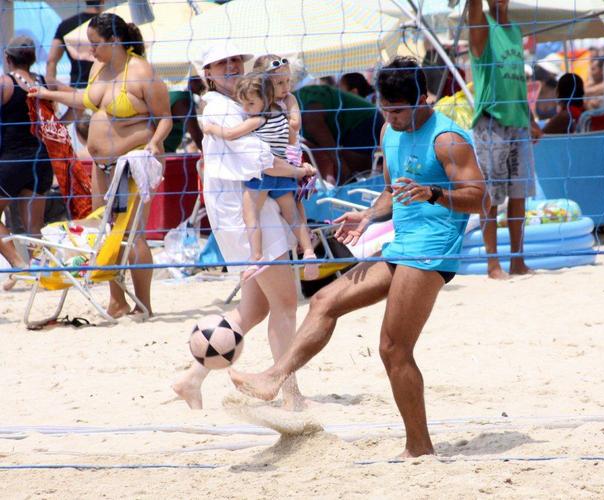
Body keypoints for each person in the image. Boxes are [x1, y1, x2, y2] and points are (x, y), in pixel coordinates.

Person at [228, 57, 487, 458]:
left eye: (399, 110)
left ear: (424, 98)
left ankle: (419, 448)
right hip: (402, 244)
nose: (392, 117)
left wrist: (434, 193)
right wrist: (368, 215)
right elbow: (391, 190)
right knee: (324, 300)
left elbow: (479, 198)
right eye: (385, 108)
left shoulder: (448, 140)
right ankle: (274, 378)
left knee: (392, 349)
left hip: (433, 249)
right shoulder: (388, 130)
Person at [172, 43, 306, 411]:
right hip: (247, 214)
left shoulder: (245, 103)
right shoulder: (220, 107)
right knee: (286, 303)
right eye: (221, 62)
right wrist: (297, 167)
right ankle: (290, 393)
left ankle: (191, 379)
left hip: (244, 211)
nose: (231, 65)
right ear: (207, 73)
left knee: (256, 309)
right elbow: (258, 160)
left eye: (236, 59)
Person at [31, 13, 172, 318]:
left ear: (115, 41)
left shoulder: (141, 72)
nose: (90, 51)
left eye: (95, 44)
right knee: (105, 231)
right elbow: (84, 99)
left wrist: (154, 143)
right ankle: (117, 300)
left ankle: (143, 304)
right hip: (100, 164)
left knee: (133, 234)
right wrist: (46, 92)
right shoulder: (99, 68)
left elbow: (165, 118)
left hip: (131, 163)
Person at [201, 72, 318, 279]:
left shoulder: (257, 119)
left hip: (263, 174)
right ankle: (308, 251)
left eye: (250, 103)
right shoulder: (283, 117)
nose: (245, 109)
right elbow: (292, 141)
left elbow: (230, 134)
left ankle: (256, 257)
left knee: (250, 215)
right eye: (242, 103)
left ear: (265, 99)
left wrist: (210, 128)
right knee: (293, 215)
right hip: (284, 175)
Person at [468, 0, 541, 279]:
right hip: (491, 121)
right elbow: (475, 16)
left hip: (518, 121)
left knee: (519, 194)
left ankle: (518, 260)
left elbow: (517, 82)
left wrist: (531, 119)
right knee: (490, 196)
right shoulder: (483, 24)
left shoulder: (515, 31)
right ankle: (492, 263)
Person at [0, 36, 54, 291]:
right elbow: (75, 101)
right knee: (34, 227)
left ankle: (18, 264)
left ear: (8, 59)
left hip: (11, 160)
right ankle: (37, 274)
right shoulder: (42, 83)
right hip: (41, 158)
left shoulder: (5, 82)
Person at [295, 84, 384, 184]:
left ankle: (347, 181)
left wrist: (341, 166)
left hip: (364, 121)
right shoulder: (295, 102)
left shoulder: (298, 107)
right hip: (361, 119)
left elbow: (313, 124)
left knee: (347, 167)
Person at [46, 0, 104, 88]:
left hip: (77, 87)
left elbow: (51, 61)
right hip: (105, 85)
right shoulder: (111, 23)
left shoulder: (66, 25)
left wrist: (52, 90)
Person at [163, 77, 205, 153]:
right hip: (162, 153)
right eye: (198, 79)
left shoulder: (173, 92)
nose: (201, 82)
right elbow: (197, 136)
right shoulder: (183, 100)